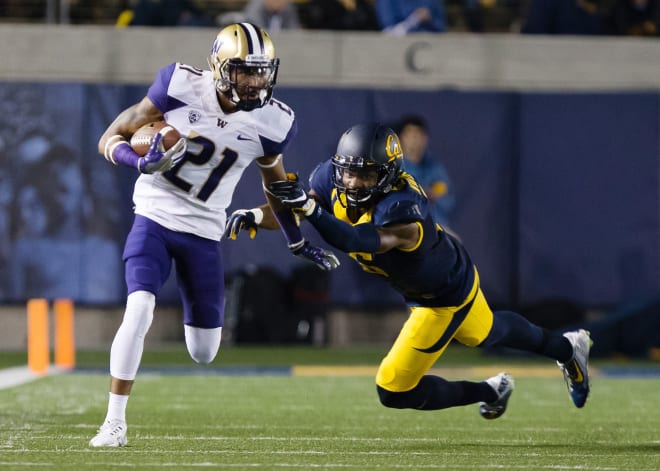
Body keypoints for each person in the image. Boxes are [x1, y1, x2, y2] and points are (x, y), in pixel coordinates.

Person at [226, 123, 593, 418]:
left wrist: (309, 210)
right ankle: (564, 350)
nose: (352, 183)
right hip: (440, 275)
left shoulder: (402, 207)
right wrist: (259, 213)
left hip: (441, 296)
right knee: (485, 333)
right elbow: (295, 206)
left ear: (387, 175)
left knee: (393, 388)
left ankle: (496, 387)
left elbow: (360, 241)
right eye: (348, 173)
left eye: (365, 176)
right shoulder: (330, 178)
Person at [89, 22, 339, 448]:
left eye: (262, 71)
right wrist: (139, 161)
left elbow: (276, 190)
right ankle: (113, 422)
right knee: (141, 307)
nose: (256, 80)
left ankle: (124, 411)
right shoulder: (179, 85)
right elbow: (108, 137)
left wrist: (295, 239)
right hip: (155, 215)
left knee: (204, 350)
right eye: (246, 70)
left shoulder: (272, 121)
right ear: (221, 67)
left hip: (205, 232)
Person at [397, 114, 454, 229]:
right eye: (410, 135)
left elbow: (449, 200)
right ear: (401, 138)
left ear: (425, 138)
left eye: (418, 135)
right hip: (403, 227)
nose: (414, 140)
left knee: (455, 243)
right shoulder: (394, 167)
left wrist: (433, 195)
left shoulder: (435, 167)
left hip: (436, 227)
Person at [375, 0, 447, 35]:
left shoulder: (432, 1)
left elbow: (441, 29)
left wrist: (429, 20)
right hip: (397, 48)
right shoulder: (386, 2)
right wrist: (415, 19)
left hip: (430, 46)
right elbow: (388, 31)